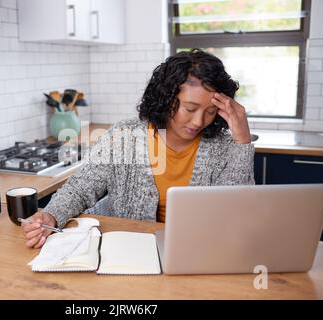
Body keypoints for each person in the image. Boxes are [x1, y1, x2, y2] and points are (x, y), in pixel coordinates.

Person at [22, 48, 254, 248]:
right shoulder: (127, 135)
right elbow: (82, 187)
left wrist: (242, 139)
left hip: (197, 248)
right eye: (190, 108)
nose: (198, 121)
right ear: (167, 98)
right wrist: (51, 215)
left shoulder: (225, 147)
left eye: (211, 112)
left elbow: (236, 211)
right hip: (127, 246)